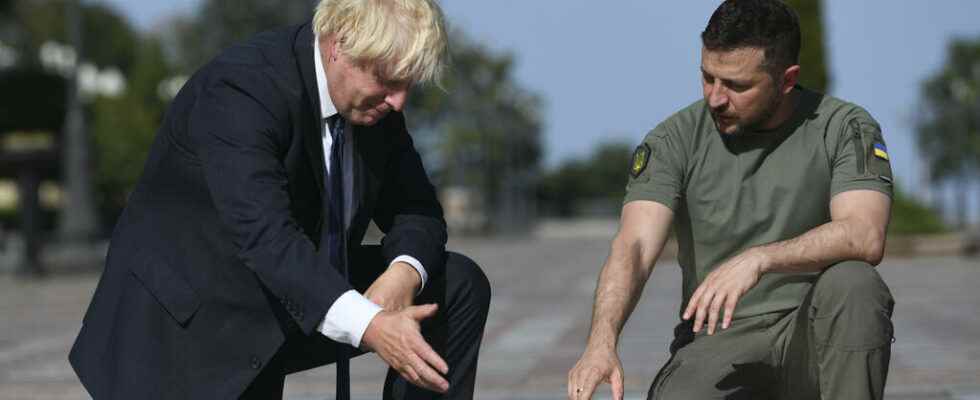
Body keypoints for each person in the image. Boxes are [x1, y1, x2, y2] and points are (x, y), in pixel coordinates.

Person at [69, 0, 491, 399]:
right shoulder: (242, 90)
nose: (399, 100)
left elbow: (418, 210)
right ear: (339, 43)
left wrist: (402, 275)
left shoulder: (375, 110)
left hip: (286, 297)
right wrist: (371, 325)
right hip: (185, 326)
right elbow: (265, 237)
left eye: (408, 84)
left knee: (456, 283)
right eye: (388, 79)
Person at [567, 1, 895, 399]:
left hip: (811, 336)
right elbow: (633, 245)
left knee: (856, 284)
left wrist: (759, 258)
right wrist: (602, 340)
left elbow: (864, 234)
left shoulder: (843, 128)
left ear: (787, 80)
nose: (716, 98)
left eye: (737, 86)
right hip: (717, 338)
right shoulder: (674, 139)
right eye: (708, 78)